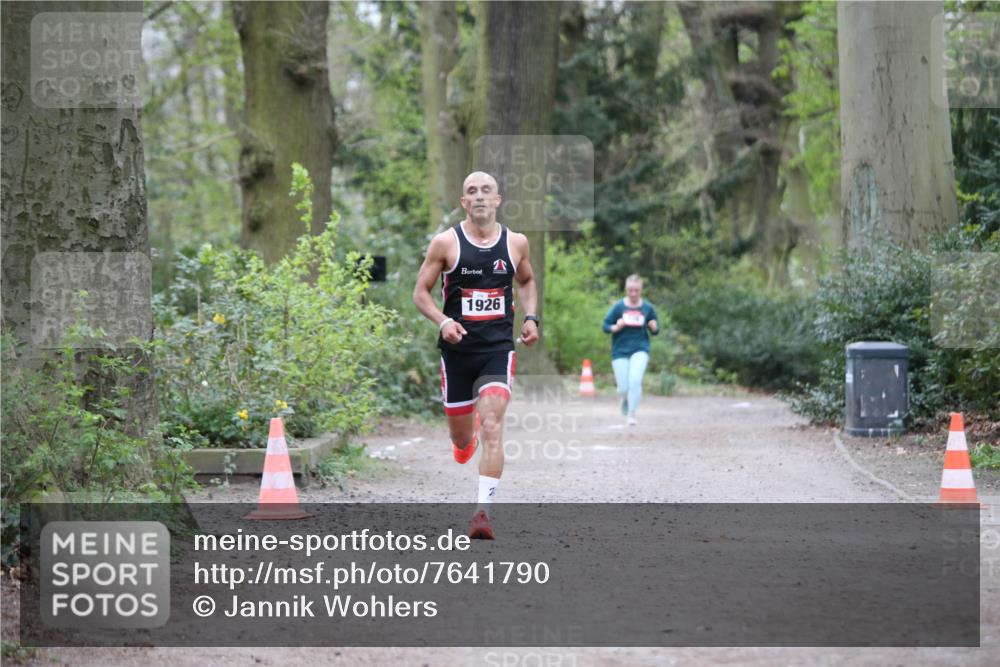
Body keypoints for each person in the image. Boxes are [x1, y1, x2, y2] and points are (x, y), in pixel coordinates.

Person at [413, 171, 539, 539]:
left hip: (498, 350)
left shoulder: (516, 243)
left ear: (498, 199)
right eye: (472, 191)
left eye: (487, 190)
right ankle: (463, 445)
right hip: (456, 353)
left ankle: (483, 512)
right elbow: (421, 292)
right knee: (462, 437)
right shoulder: (445, 244)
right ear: (464, 202)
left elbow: (527, 281)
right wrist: (442, 321)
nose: (480, 196)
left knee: (492, 424)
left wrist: (530, 317)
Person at [602, 274, 659, 426]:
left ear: (641, 290)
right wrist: (616, 326)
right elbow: (605, 326)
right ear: (626, 289)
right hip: (620, 350)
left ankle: (632, 414)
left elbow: (655, 327)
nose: (633, 294)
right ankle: (625, 398)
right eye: (630, 290)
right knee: (623, 387)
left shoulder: (647, 308)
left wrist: (654, 327)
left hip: (640, 348)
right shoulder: (618, 307)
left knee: (635, 379)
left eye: (636, 290)